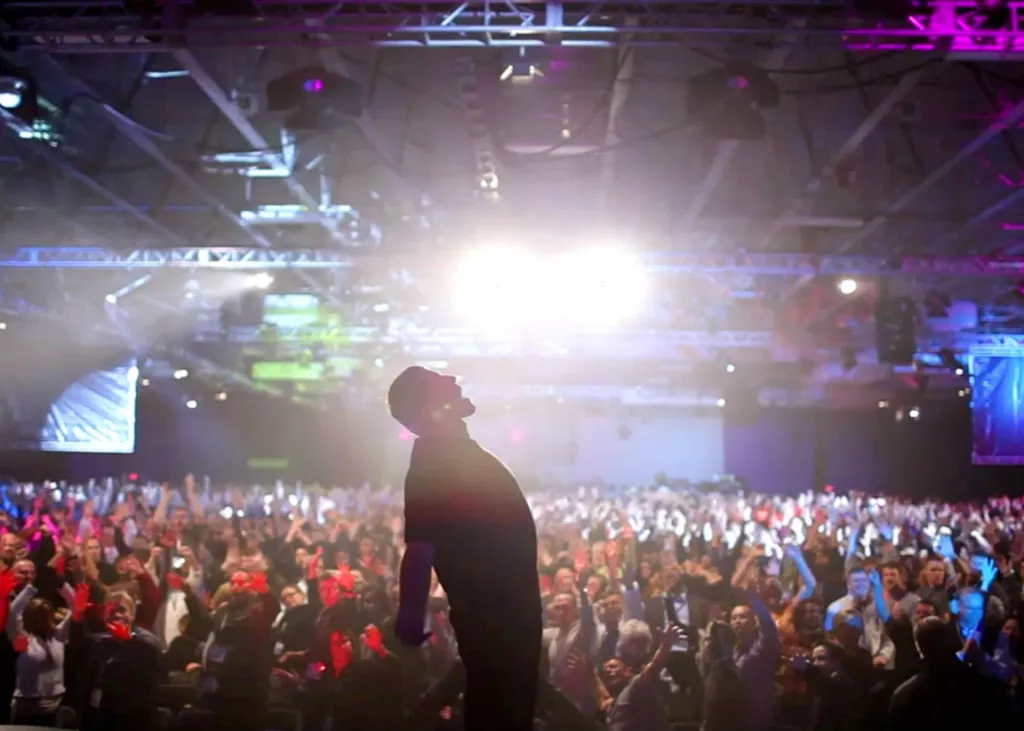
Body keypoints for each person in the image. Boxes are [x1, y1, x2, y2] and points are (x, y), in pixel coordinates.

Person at [389, 366, 543, 731]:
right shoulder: (434, 462)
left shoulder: (446, 456)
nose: (453, 379)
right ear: (431, 407)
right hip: (497, 627)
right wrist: (411, 619)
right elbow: (420, 547)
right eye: (440, 380)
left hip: (503, 625)